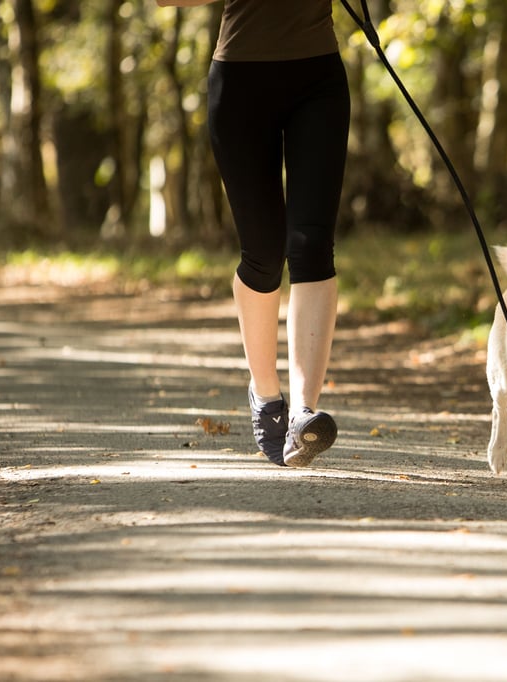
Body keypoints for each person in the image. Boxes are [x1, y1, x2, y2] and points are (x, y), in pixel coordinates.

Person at [157, 0, 349, 467]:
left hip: (318, 78)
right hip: (241, 81)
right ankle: (266, 395)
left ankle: (303, 413)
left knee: (311, 245)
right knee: (263, 251)